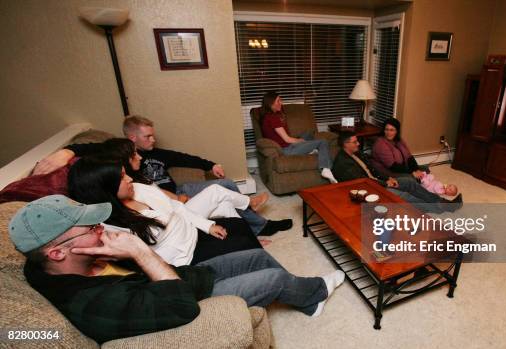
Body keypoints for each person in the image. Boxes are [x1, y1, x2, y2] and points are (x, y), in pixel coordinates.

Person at [9, 195, 345, 343]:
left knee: (254, 256)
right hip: (186, 301)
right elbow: (180, 307)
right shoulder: (90, 302)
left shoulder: (74, 262)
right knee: (273, 278)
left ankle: (306, 298)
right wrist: (138, 250)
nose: (102, 228)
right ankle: (315, 291)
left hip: (182, 279)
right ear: (56, 252)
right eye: (90, 227)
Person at [32, 116, 292, 236]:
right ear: (132, 138)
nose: (153, 140)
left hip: (179, 190)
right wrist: (67, 151)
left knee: (223, 183)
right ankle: (253, 216)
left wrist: (211, 164)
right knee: (222, 194)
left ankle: (253, 221)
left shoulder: (157, 152)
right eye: (147, 136)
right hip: (167, 200)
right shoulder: (118, 158)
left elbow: (184, 157)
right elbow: (90, 149)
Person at [68, 158, 266, 265]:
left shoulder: (138, 188)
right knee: (242, 245)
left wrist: (207, 225)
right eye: (121, 177)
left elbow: (176, 207)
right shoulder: (110, 228)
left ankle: (258, 236)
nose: (129, 178)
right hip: (183, 257)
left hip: (191, 232)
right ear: (105, 187)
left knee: (239, 225)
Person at [332, 131, 462, 213]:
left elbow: (373, 169)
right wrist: (385, 184)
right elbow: (363, 182)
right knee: (406, 196)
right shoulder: (344, 163)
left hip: (378, 182)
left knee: (410, 183)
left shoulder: (357, 154)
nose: (358, 144)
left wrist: (388, 178)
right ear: (345, 144)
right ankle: (441, 208)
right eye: (355, 142)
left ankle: (442, 202)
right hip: (371, 190)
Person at [260, 91, 337, 183]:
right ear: (271, 104)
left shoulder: (269, 116)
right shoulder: (272, 118)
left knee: (309, 134)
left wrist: (302, 140)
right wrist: (301, 141)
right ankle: (325, 169)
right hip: (287, 150)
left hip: (287, 146)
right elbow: (287, 139)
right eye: (278, 101)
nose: (281, 103)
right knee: (322, 142)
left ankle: (312, 150)